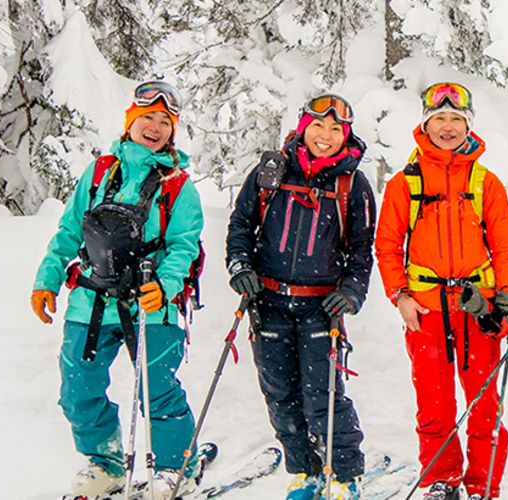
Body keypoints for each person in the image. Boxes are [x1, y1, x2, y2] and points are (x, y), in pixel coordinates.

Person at [31, 81, 204, 499]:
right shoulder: (99, 171)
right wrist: (47, 279)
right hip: (90, 301)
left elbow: (184, 245)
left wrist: (164, 286)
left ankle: (176, 465)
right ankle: (103, 461)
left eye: (165, 121)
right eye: (148, 117)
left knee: (157, 389)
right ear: (131, 120)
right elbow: (70, 230)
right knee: (78, 388)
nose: (156, 127)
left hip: (150, 305)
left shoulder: (178, 185)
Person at [224, 93, 376, 500]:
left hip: (320, 307)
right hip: (268, 302)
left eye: (335, 129)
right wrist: (240, 266)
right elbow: (241, 225)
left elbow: (362, 250)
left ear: (346, 136)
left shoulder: (352, 184)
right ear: (303, 127)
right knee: (279, 393)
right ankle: (305, 471)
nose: (325, 136)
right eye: (318, 126)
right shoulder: (272, 171)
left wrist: (351, 291)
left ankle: (344, 474)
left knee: (323, 394)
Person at [374, 82, 508, 500]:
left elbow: (505, 247)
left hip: (479, 310)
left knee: (484, 405)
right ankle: (441, 480)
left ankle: (482, 487)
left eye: (456, 119)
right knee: (434, 405)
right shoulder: (407, 183)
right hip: (425, 310)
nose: (448, 126)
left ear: (467, 125)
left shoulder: (485, 182)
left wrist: (507, 300)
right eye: (439, 118)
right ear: (425, 123)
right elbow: (387, 245)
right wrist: (399, 296)